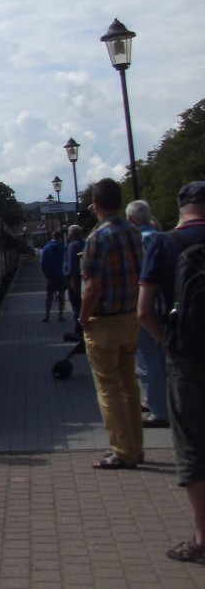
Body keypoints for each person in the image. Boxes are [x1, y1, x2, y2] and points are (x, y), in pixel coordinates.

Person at [137, 181, 205, 563]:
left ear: (182, 207)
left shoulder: (163, 244)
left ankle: (202, 539)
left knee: (193, 445)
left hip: (186, 356)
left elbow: (144, 310)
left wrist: (167, 342)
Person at [78, 178, 144, 470]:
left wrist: (82, 317)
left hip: (104, 321)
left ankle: (122, 450)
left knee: (109, 388)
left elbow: (92, 287)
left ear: (97, 204)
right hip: (131, 316)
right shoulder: (134, 232)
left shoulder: (96, 238)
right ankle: (135, 447)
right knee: (130, 385)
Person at [127, 199, 169, 427]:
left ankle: (158, 411)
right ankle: (160, 400)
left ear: (131, 220)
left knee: (147, 360)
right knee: (162, 358)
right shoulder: (163, 238)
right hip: (166, 306)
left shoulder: (139, 241)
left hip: (146, 307)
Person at [64, 224, 86, 342]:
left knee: (76, 306)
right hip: (83, 279)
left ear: (71, 234)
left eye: (68, 233)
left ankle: (78, 331)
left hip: (75, 279)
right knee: (82, 304)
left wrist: (72, 281)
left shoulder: (72, 245)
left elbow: (72, 264)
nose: (67, 235)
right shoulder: (85, 243)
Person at [39, 230, 68, 322]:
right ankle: (60, 315)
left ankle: (47, 316)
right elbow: (66, 262)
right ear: (60, 237)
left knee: (49, 297)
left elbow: (43, 265)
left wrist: (47, 276)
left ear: (52, 236)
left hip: (51, 276)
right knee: (61, 295)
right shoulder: (63, 248)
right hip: (61, 275)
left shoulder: (46, 248)